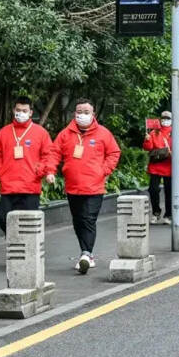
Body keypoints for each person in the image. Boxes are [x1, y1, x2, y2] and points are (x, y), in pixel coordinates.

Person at [45, 99, 121, 274]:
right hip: (73, 186)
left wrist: (104, 170)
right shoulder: (65, 134)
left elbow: (114, 152)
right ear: (74, 114)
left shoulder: (103, 134)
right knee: (78, 221)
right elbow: (54, 152)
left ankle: (86, 254)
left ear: (93, 114)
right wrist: (50, 171)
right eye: (79, 111)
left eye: (86, 112)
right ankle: (86, 254)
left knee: (88, 219)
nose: (82, 115)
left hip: (94, 187)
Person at [0, 96, 54, 234]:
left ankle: (27, 253)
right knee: (3, 219)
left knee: (28, 224)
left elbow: (48, 154)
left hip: (30, 185)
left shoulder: (40, 132)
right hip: (9, 185)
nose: (21, 113)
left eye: (24, 110)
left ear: (31, 112)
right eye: (18, 110)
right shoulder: (4, 132)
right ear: (14, 110)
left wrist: (44, 171)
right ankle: (14, 246)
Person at [143, 111, 173, 224]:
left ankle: (168, 214)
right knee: (153, 189)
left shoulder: (175, 132)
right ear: (160, 119)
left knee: (169, 191)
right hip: (156, 164)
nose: (165, 120)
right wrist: (147, 140)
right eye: (163, 118)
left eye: (168, 118)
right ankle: (156, 212)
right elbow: (148, 148)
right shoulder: (154, 132)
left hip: (169, 165)